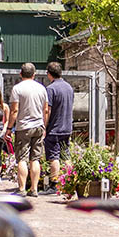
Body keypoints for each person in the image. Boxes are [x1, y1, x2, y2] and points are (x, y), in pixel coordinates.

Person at [8, 62, 50, 198]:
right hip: (38, 125)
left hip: (23, 127)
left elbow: (14, 110)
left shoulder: (17, 89)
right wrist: (44, 126)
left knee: (22, 159)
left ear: (20, 74)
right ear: (34, 74)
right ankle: (34, 189)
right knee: (35, 159)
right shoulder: (42, 88)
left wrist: (9, 128)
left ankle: (21, 188)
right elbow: (46, 110)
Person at [44, 62, 75, 194]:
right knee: (66, 155)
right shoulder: (69, 87)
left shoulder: (51, 89)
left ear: (49, 74)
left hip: (54, 128)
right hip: (67, 127)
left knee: (54, 156)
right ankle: (70, 181)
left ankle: (54, 184)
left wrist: (44, 126)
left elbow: (48, 110)